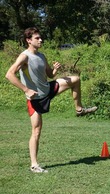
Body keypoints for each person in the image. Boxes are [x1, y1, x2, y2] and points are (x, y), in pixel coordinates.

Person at [5, 27, 98, 173]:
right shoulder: (24, 57)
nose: (41, 40)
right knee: (36, 131)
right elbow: (9, 75)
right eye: (37, 38)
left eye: (41, 37)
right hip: (35, 98)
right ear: (28, 40)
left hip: (48, 89)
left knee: (75, 79)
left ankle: (79, 109)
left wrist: (55, 70)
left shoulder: (41, 56)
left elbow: (49, 75)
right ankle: (34, 165)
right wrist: (26, 89)